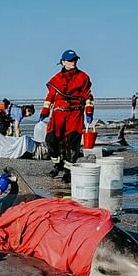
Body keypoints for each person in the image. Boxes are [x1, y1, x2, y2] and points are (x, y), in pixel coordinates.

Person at [39, 49, 94, 183]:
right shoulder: (56, 79)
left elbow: (88, 96)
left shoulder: (83, 77)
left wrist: (89, 112)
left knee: (72, 143)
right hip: (58, 113)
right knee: (51, 140)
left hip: (75, 113)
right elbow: (50, 96)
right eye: (70, 60)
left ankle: (69, 171)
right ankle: (58, 164)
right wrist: (45, 111)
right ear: (63, 62)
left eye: (75, 59)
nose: (73, 62)